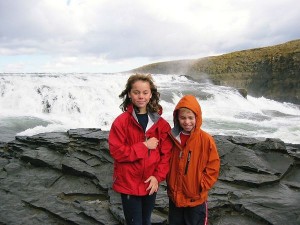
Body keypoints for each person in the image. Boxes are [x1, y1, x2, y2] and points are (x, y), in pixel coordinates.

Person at [108, 73, 173, 225]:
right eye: (136, 92)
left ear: (151, 94)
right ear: (129, 94)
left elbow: (166, 155)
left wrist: (157, 177)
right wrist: (144, 146)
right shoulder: (121, 122)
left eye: (145, 92)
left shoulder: (161, 124)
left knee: (146, 221)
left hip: (150, 182)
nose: (141, 96)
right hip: (129, 183)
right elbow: (117, 152)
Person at [167, 95, 220, 225]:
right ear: (177, 118)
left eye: (191, 118)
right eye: (183, 118)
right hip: (175, 197)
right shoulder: (172, 138)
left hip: (196, 198)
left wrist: (202, 185)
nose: (187, 122)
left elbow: (213, 166)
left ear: (197, 117)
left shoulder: (206, 140)